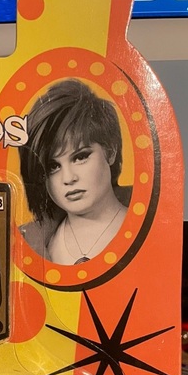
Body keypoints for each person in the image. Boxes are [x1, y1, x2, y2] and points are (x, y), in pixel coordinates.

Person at [18, 79, 131, 265]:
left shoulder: (150, 228)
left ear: (110, 151)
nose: (69, 178)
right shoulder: (27, 244)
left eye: (80, 157)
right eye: (53, 166)